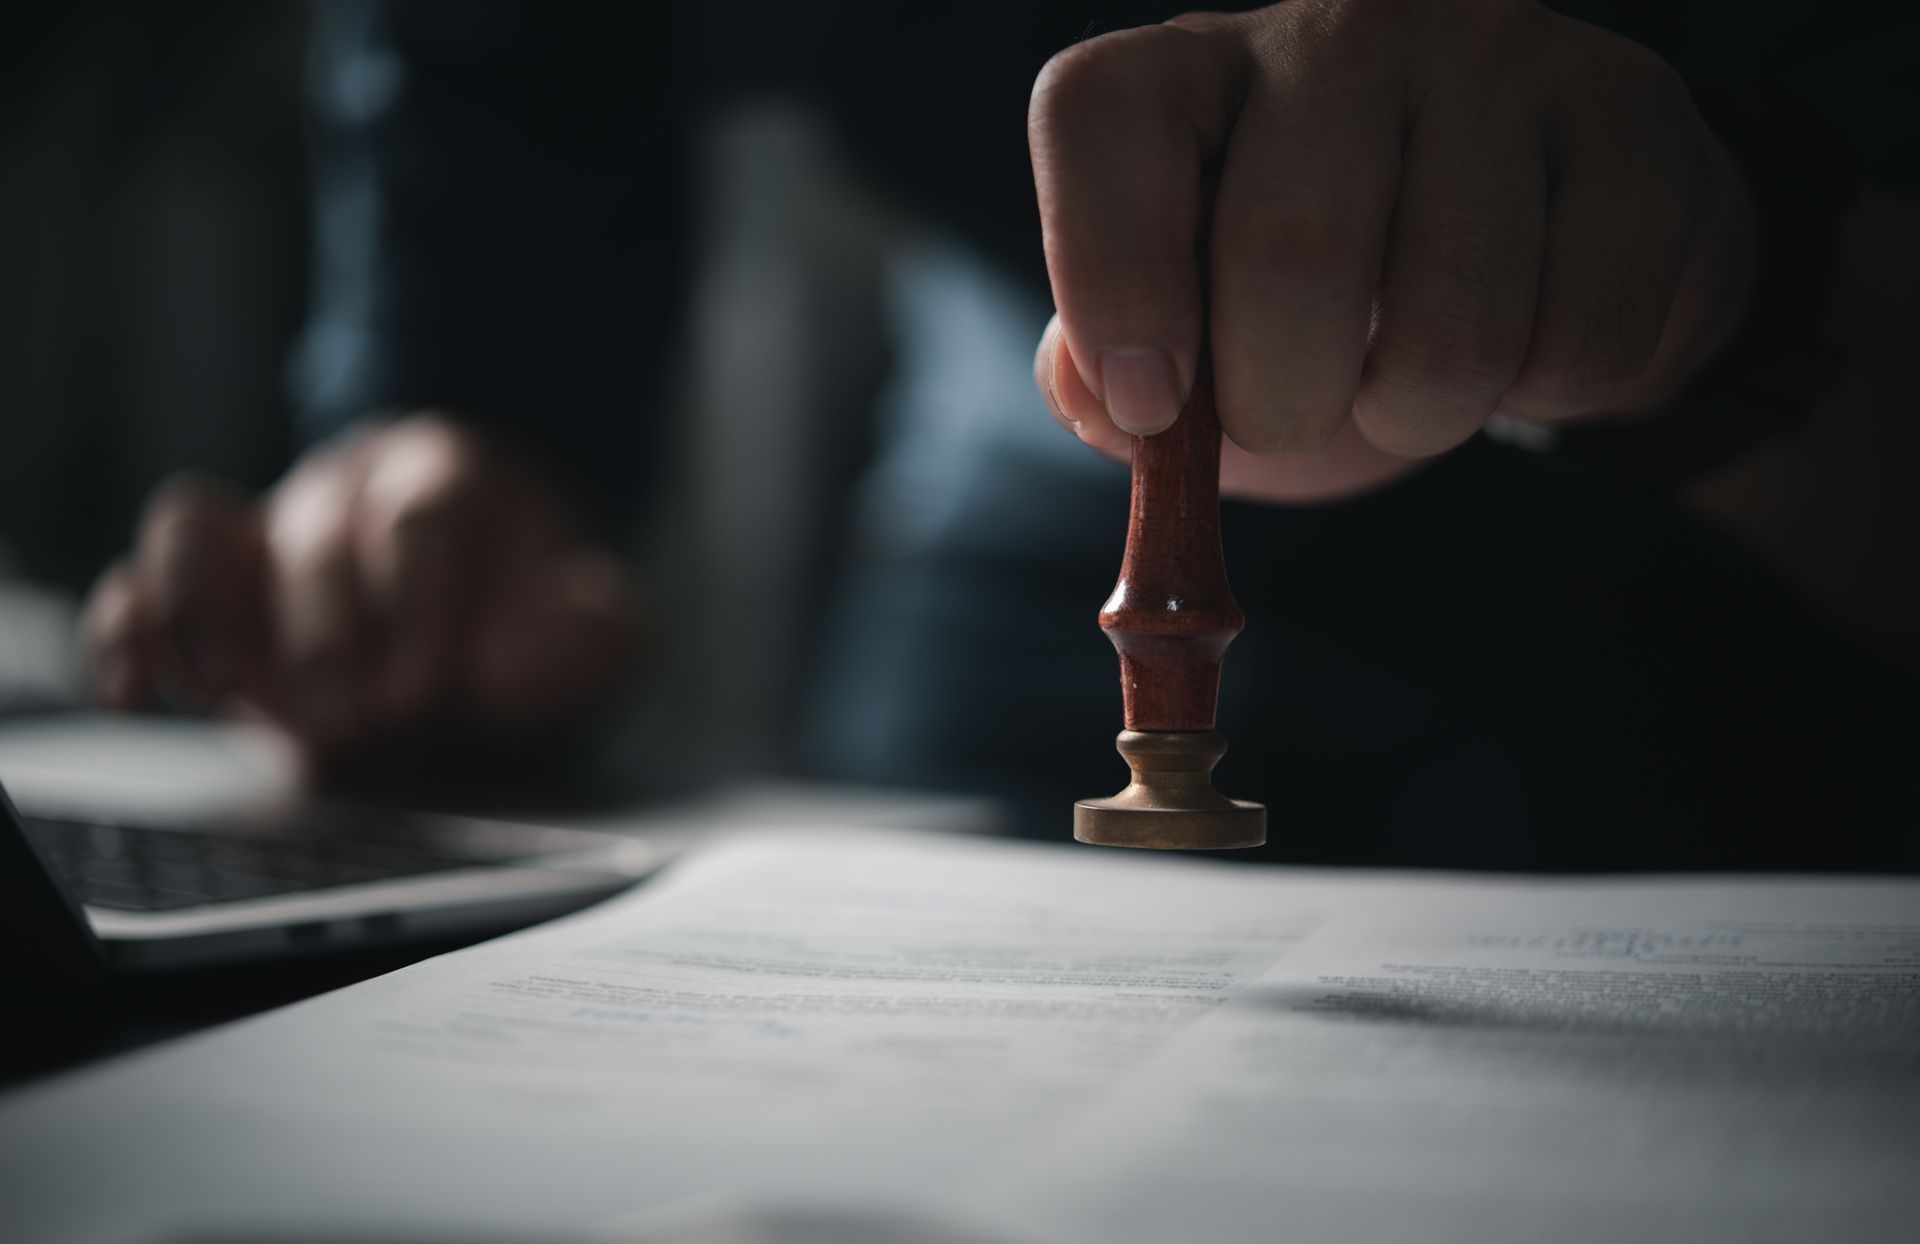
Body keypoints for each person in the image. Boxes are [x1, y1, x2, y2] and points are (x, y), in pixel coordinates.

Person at [81, 1, 1917, 868]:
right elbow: (511, 92)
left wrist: (1739, 300)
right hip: (1030, 538)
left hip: (1744, 565)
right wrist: (451, 447)